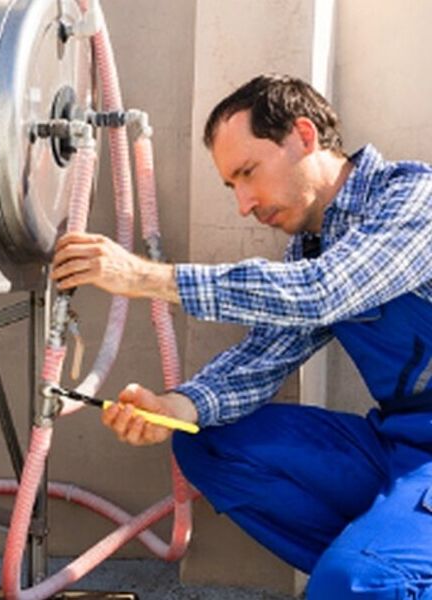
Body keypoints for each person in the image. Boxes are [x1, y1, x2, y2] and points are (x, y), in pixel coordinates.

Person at [52, 74, 432, 599]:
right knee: (208, 441)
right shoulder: (312, 247)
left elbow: (322, 293)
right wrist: (173, 407)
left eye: (248, 173)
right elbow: (264, 356)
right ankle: (373, 570)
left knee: (358, 582)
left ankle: (366, 577)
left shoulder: (415, 200)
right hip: (403, 446)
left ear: (303, 135)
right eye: (232, 186)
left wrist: (143, 278)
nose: (244, 204)